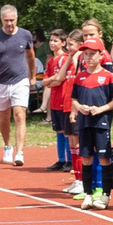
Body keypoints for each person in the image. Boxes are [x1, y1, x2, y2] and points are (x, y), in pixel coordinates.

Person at [72, 21, 113, 210]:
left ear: (101, 55)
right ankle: (88, 194)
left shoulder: (108, 77)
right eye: (86, 54)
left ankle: (106, 195)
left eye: (92, 54)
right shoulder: (80, 77)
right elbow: (74, 99)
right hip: (85, 122)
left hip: (101, 122)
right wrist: (79, 108)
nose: (89, 58)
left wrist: (100, 109)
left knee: (103, 158)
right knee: (86, 158)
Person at [0, 4, 37, 164]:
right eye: (6, 20)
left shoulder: (25, 35)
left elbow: (31, 56)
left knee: (20, 114)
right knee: (4, 118)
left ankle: (20, 152)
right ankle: (8, 146)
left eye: (12, 20)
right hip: (1, 82)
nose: (9, 23)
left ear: (17, 19)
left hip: (20, 80)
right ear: (1, 19)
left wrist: (32, 76)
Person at [43, 29, 76, 174]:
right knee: (58, 131)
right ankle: (61, 159)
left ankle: (69, 160)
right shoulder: (51, 61)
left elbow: (59, 79)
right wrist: (52, 80)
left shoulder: (66, 58)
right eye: (51, 40)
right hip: (55, 100)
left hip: (65, 98)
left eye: (55, 40)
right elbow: (46, 81)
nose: (52, 43)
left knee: (66, 131)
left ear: (63, 43)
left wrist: (53, 80)